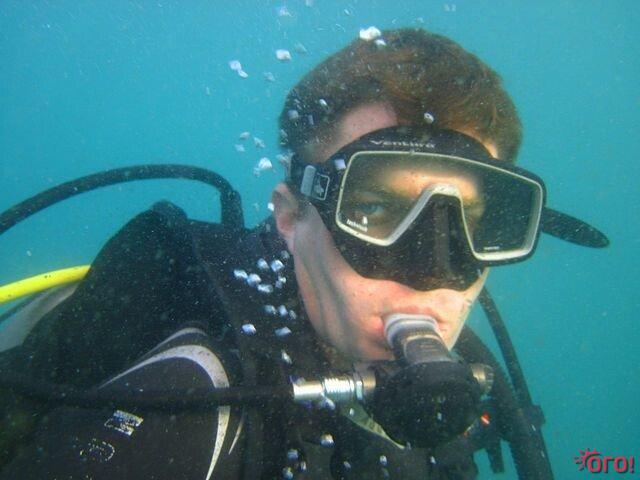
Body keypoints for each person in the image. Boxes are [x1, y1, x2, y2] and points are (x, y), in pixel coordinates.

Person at [0, 28, 607, 479]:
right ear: (290, 217)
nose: (432, 273)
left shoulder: (469, 381)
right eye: (375, 208)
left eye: (467, 223)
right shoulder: (191, 398)